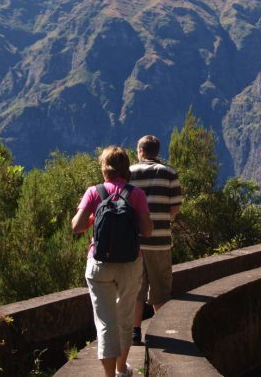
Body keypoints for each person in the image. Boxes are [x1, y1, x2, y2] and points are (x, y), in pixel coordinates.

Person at [72, 146, 153, 377]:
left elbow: (76, 226)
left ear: (104, 167)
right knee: (125, 318)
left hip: (98, 264)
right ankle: (121, 370)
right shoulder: (136, 194)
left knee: (105, 323)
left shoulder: (94, 192)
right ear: (125, 167)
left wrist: (91, 219)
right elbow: (147, 231)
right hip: (130, 264)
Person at [130, 135, 183, 344]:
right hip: (160, 241)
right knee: (161, 288)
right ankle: (158, 333)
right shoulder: (170, 173)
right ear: (157, 151)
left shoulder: (129, 173)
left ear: (140, 151)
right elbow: (175, 208)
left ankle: (135, 331)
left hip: (134, 243)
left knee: (136, 288)